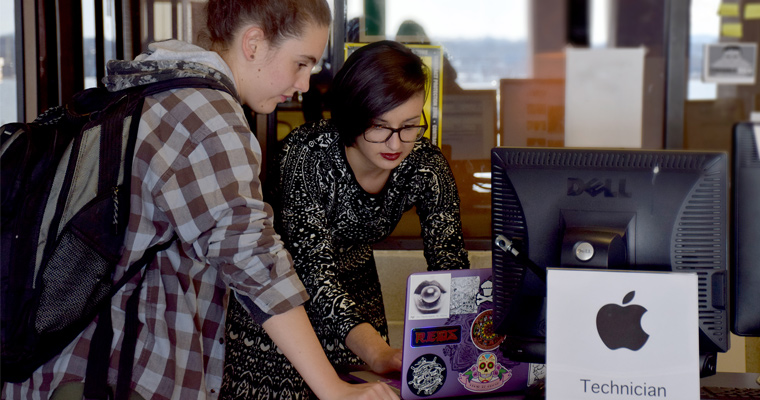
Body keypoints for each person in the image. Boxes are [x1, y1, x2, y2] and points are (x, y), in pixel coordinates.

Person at [2, 1, 398, 399]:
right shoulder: (207, 115)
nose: (305, 85)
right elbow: (255, 262)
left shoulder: (152, 87)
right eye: (301, 63)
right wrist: (334, 390)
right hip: (115, 375)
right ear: (254, 43)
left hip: (65, 366)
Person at [222, 40, 470, 399]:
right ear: (352, 116)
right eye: (380, 126)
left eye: (410, 125)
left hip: (360, 301)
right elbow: (313, 271)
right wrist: (377, 352)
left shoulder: (424, 164)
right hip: (284, 309)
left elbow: (451, 265)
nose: (396, 142)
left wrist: (460, 347)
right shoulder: (306, 156)